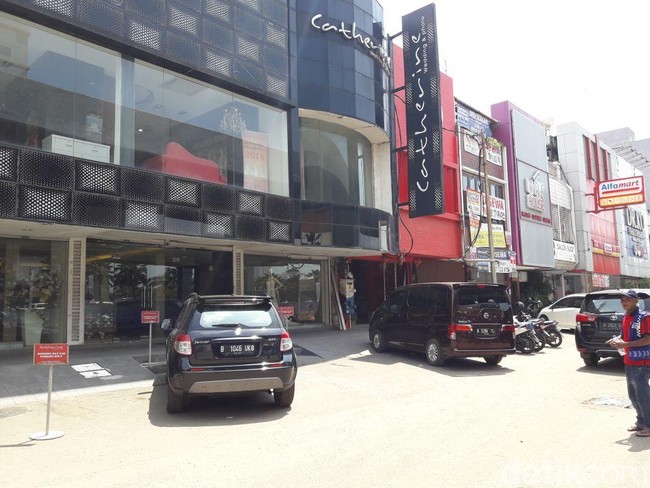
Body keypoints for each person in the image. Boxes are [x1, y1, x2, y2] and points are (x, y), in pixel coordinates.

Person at [606, 290, 650, 437]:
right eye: (622, 300)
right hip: (629, 360)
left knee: (643, 395)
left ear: (636, 300)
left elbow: (648, 339)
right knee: (633, 395)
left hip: (642, 362)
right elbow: (625, 336)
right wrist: (617, 340)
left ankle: (649, 425)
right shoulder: (626, 317)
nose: (624, 302)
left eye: (628, 299)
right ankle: (641, 422)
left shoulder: (644, 317)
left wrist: (625, 344)